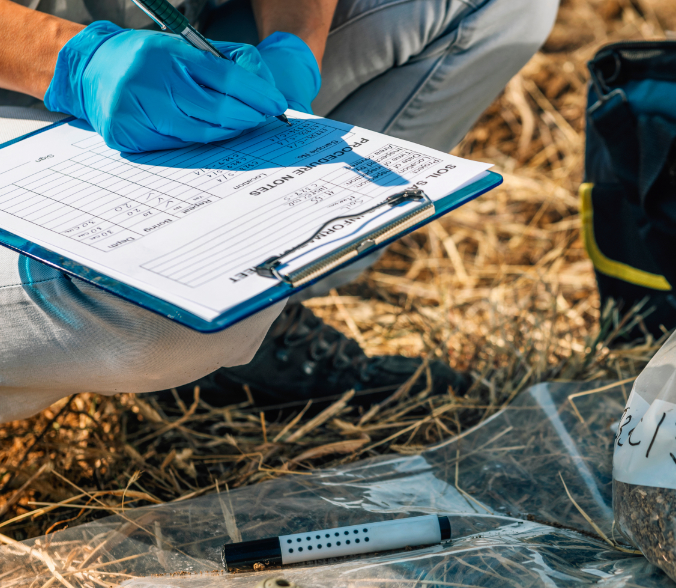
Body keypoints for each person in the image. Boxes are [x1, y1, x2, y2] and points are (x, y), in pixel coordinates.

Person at [0, 0, 559, 422]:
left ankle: (260, 324)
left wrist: (297, 44)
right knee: (173, 307)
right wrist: (66, 61)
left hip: (180, 54)